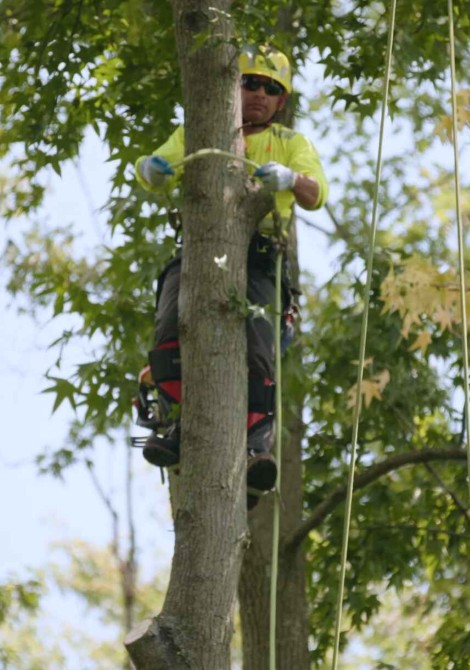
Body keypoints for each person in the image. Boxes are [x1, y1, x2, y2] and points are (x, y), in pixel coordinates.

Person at [133, 44, 328, 500]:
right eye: (251, 82)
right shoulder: (201, 132)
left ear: (282, 101)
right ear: (233, 85)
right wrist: (153, 170)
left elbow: (316, 192)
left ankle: (256, 443)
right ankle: (177, 422)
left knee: (258, 347)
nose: (259, 92)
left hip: (259, 256)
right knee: (169, 329)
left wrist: (291, 179)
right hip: (198, 254)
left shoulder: (289, 144)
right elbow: (155, 166)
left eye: (271, 88)